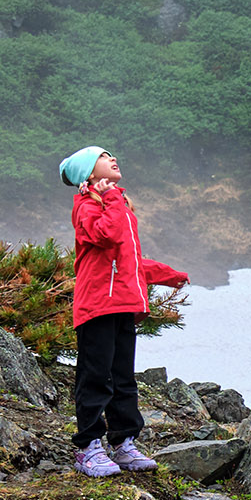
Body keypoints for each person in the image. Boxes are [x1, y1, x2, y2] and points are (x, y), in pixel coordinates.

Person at [60, 146, 189, 478]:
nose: (112, 158)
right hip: (97, 306)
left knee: (123, 379)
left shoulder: (117, 207)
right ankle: (88, 448)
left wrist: (166, 274)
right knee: (95, 377)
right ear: (89, 174)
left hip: (123, 306)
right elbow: (107, 236)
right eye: (103, 157)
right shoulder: (86, 206)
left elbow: (128, 261)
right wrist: (114, 200)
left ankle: (124, 444)